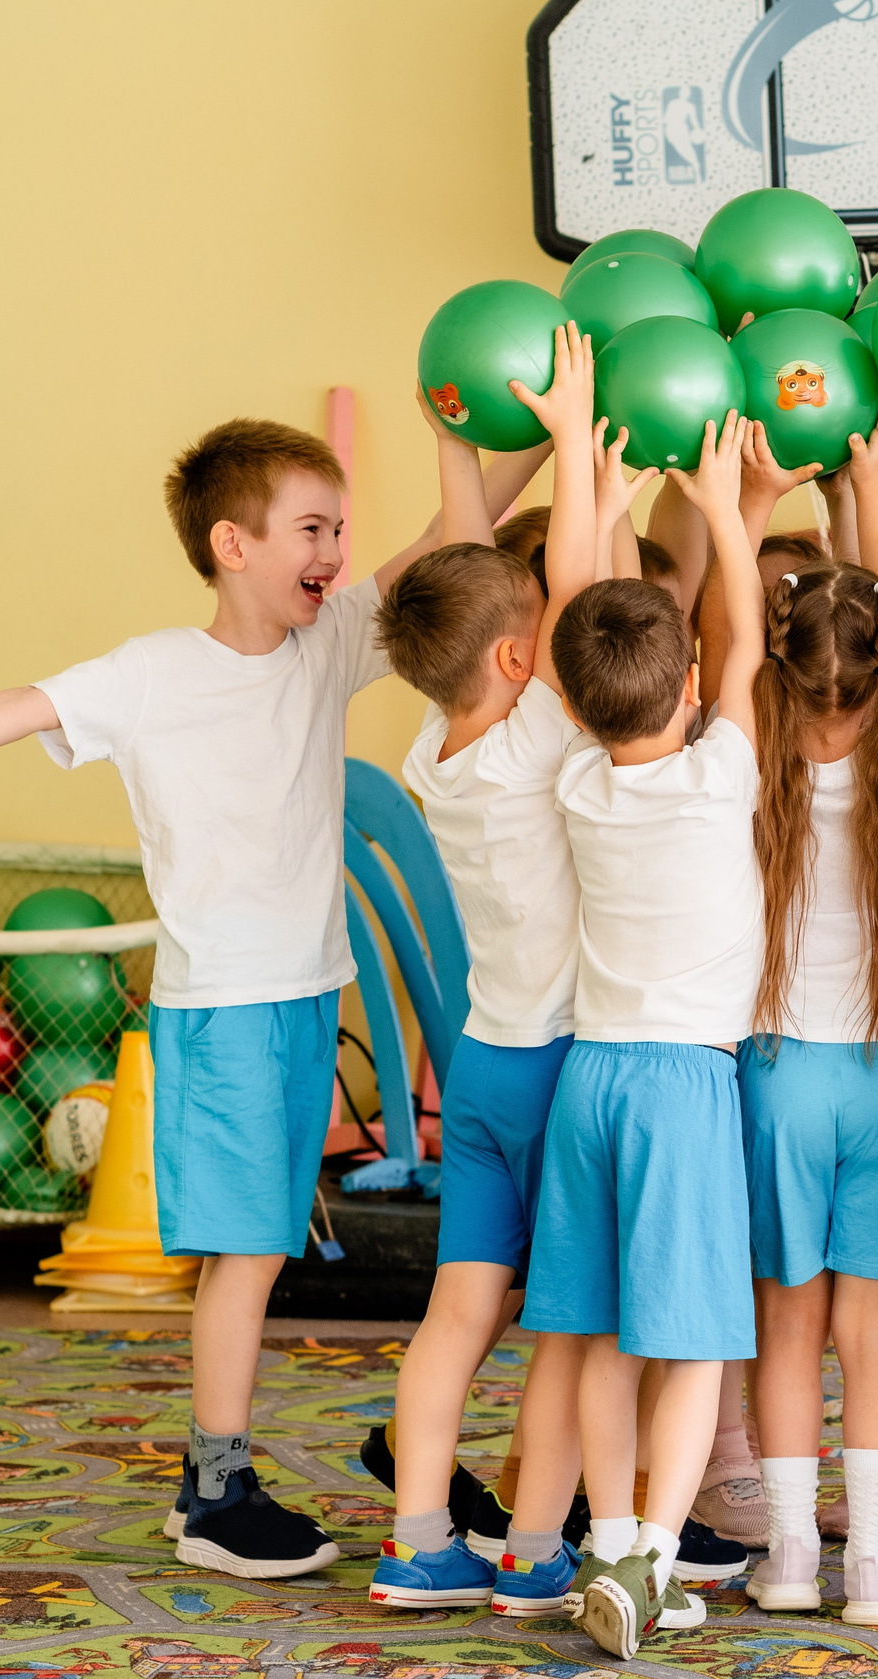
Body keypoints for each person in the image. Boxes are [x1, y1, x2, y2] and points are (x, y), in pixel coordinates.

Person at [0, 402, 468, 1580]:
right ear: (232, 544)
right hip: (221, 1010)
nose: (335, 553)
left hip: (310, 992)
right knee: (245, 1251)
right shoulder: (155, 672)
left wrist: (494, 421)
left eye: (340, 529)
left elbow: (453, 534)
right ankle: (215, 1489)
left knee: (256, 1245)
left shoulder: (331, 646)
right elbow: (22, 707)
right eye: (312, 528)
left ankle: (213, 1476)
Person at [366, 326, 613, 1612]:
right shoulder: (535, 742)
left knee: (459, 1309)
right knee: (567, 1319)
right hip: (567, 1066)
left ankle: (418, 1537)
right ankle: (529, 1548)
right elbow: (572, 596)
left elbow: (484, 586)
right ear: (520, 665)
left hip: (483, 1069)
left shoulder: (435, 742)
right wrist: (573, 445)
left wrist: (456, 443)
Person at [527, 409, 769, 1660]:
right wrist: (726, 506)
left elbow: (583, 599)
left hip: (590, 1081)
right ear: (683, 686)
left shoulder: (576, 776)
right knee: (689, 1344)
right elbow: (737, 645)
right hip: (683, 1084)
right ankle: (656, 1562)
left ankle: (613, 1536)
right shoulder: (722, 769)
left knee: (610, 1337)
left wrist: (589, 467)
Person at [740, 400, 878, 1629]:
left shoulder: (739, 745)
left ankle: (790, 1562)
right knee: (876, 1335)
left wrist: (754, 502)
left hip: (774, 1070)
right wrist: (877, 482)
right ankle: (868, 1567)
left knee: (787, 1329)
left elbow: (853, 634)